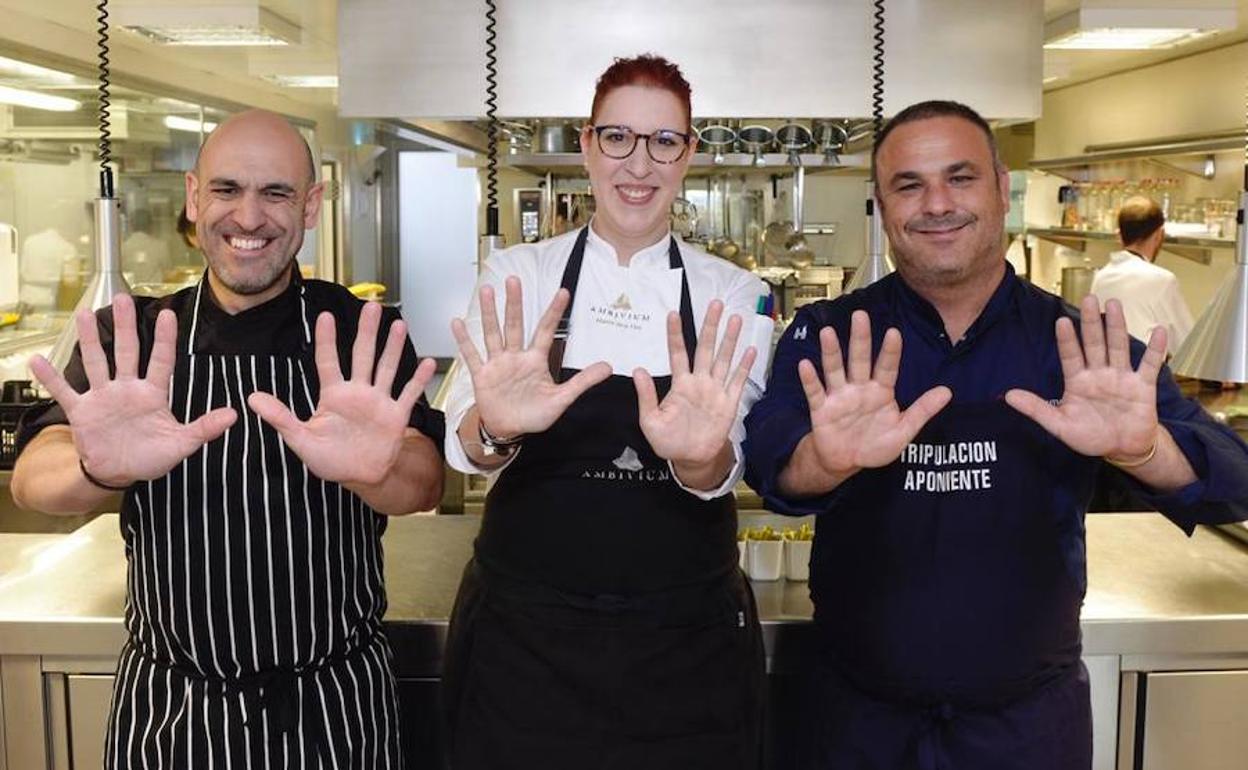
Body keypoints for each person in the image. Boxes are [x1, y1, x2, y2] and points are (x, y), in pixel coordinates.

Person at [743, 100, 1248, 769]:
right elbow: (769, 464)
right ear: (882, 205)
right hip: (854, 721)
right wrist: (822, 461)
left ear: (1003, 189)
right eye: (909, 184)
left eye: (960, 177)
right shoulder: (835, 335)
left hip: (1027, 727)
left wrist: (1147, 450)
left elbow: (1234, 481)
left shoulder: (1080, 345)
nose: (937, 203)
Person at [11, 109, 445, 769]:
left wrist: (372, 470)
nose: (248, 217)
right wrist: (99, 470)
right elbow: (33, 478)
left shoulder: (360, 331)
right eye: (226, 190)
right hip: (171, 714)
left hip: (332, 709)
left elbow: (424, 480)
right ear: (193, 196)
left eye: (275, 193)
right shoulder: (131, 334)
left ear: (312, 205)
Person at [441, 54, 770, 769]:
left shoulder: (734, 296)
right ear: (588, 146)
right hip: (526, 647)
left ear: (690, 155)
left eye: (663, 141)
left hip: (684, 650)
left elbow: (727, 459)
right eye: (618, 138)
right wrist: (497, 425)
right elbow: (465, 445)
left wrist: (695, 456)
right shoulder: (518, 277)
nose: (638, 164)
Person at [1090, 195, 1195, 349]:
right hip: (1145, 370)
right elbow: (1188, 344)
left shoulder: (1101, 276)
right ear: (1160, 234)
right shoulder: (1162, 281)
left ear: (1119, 235)